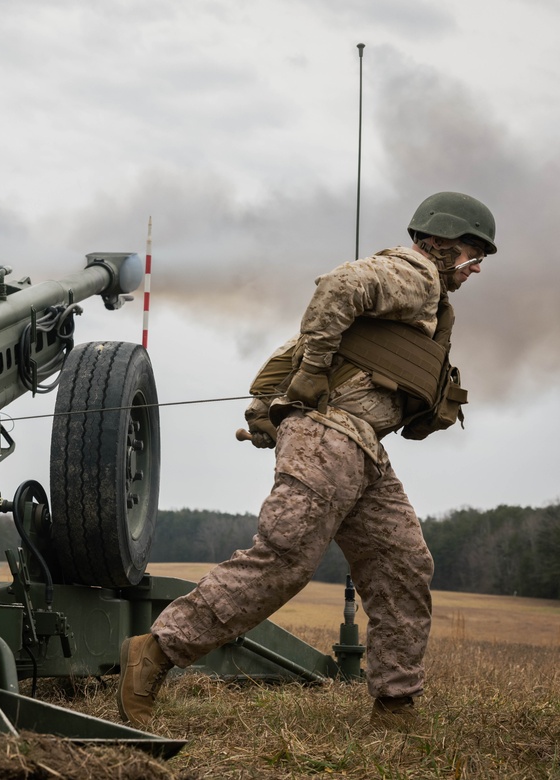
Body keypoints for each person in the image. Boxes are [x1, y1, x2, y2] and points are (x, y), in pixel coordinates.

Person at [116, 192, 497, 727]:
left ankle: (395, 706)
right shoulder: (413, 274)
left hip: (362, 447)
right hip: (329, 435)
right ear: (439, 243)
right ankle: (156, 652)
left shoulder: (429, 296)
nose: (474, 269)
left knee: (403, 566)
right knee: (285, 558)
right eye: (471, 255)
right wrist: (315, 369)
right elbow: (339, 287)